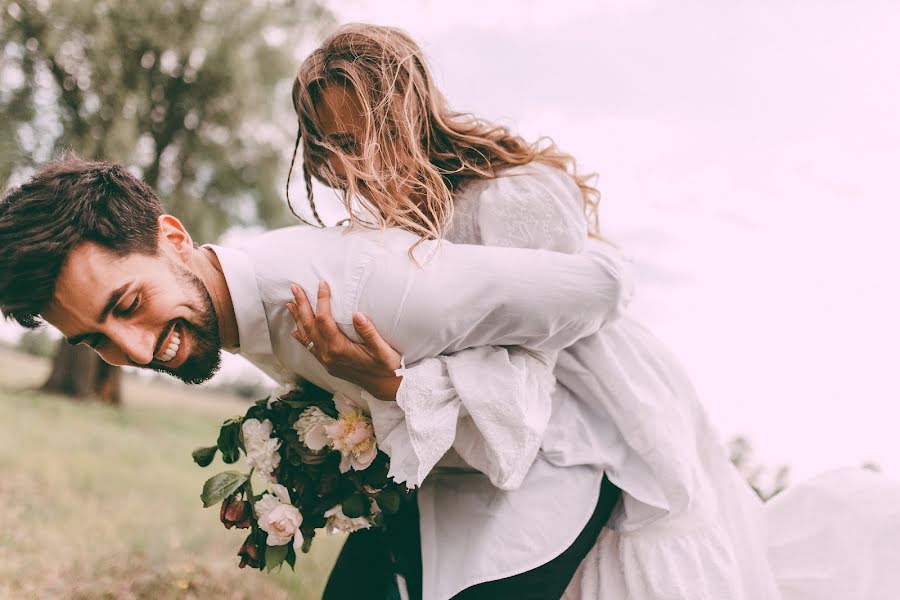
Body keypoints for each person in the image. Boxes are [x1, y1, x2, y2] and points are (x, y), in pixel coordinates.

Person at [288, 23, 900, 600]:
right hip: (467, 425)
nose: (349, 168)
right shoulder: (387, 227)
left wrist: (400, 383)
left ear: (409, 115)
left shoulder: (511, 198)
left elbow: (528, 354)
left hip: (585, 408)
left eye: (361, 140)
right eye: (332, 149)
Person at [0, 155, 629, 600]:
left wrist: (404, 389)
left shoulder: (368, 292)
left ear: (171, 236)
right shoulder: (236, 307)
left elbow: (599, 288)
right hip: (432, 491)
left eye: (128, 305)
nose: (134, 350)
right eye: (94, 342)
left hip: (543, 489)